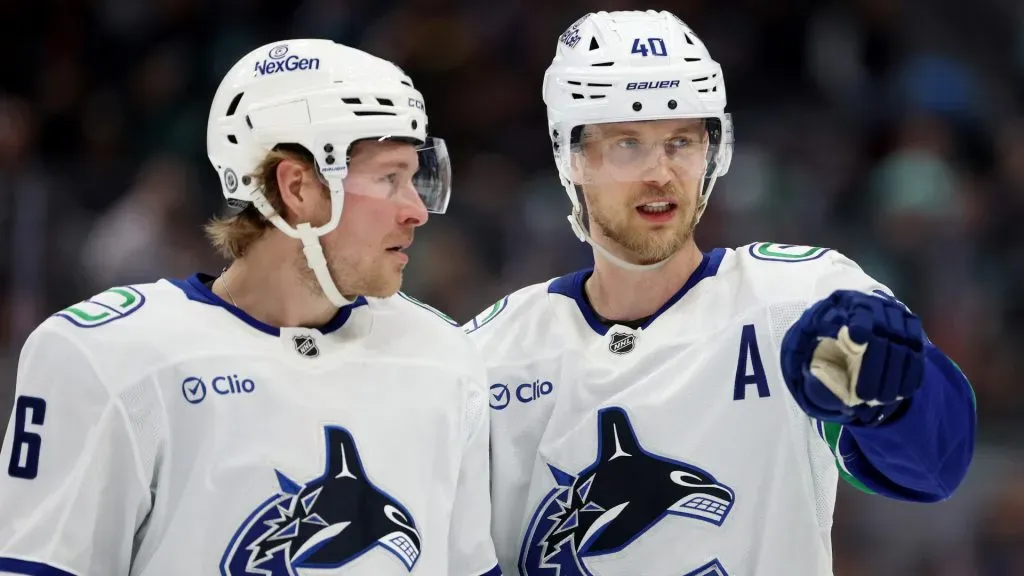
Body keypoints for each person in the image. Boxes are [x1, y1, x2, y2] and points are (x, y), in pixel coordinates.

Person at [465, 11, 976, 575]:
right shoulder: (486, 356)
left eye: (681, 142)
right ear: (573, 157)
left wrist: (892, 399)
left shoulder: (800, 301)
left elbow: (936, 467)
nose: (661, 173)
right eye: (629, 144)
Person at [0, 39, 500, 576]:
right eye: (389, 179)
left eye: (418, 177)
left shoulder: (445, 359)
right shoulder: (107, 359)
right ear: (297, 187)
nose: (417, 210)